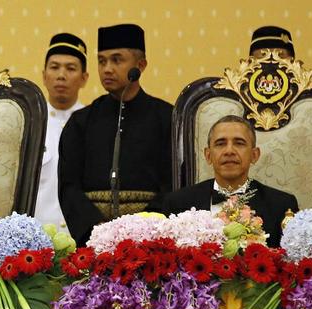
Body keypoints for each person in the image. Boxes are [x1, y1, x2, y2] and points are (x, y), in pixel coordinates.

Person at [58, 23, 173, 246]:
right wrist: (97, 231)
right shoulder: (81, 122)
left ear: (140, 65)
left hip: (150, 240)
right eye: (102, 61)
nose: (107, 69)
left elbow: (174, 185)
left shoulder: (167, 118)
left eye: (117, 60)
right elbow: (68, 187)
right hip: (94, 240)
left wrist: (142, 230)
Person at [152, 115, 298, 248]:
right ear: (208, 155)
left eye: (239, 143)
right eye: (220, 143)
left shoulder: (282, 206)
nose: (229, 151)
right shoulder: (177, 204)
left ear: (254, 155)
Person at [34, 33, 88, 229]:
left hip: (82, 237)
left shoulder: (93, 124)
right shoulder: (32, 124)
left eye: (71, 68)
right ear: (44, 75)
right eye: (54, 67)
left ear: (84, 78)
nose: (61, 75)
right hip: (37, 238)